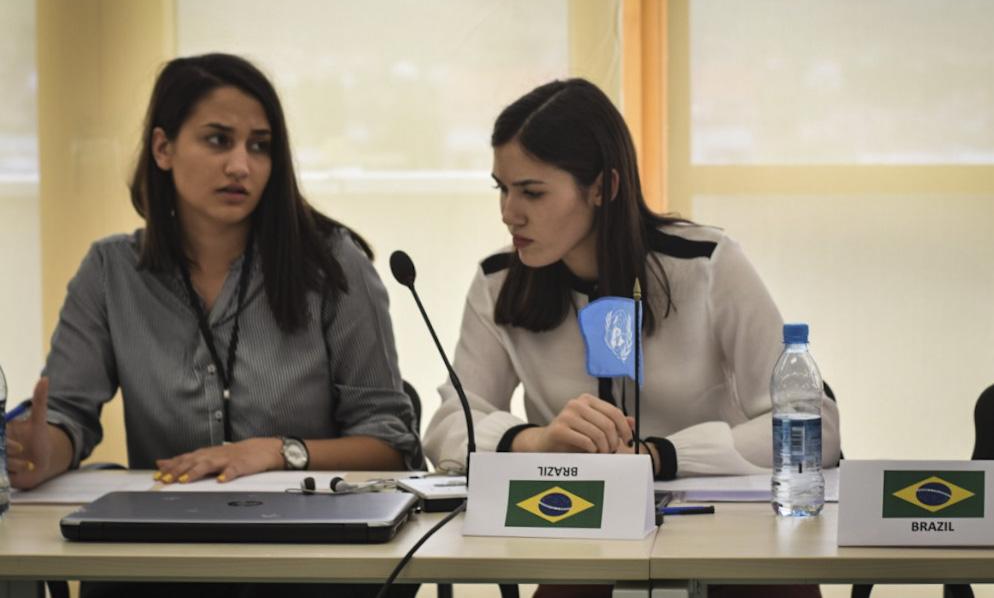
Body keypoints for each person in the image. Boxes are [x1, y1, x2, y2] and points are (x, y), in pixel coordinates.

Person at [5, 54, 420, 596]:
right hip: (163, 558)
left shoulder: (334, 265)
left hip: (311, 559)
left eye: (260, 146)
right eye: (219, 140)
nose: (241, 166)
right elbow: (67, 416)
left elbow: (390, 443)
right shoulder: (110, 272)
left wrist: (278, 450)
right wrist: (43, 452)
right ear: (163, 149)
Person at [423, 78, 839, 598]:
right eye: (501, 189)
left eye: (532, 192)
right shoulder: (498, 282)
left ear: (603, 187)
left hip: (727, 543)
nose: (509, 213)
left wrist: (660, 455)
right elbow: (447, 427)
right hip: (584, 542)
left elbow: (817, 427)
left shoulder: (706, 264)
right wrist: (537, 442)